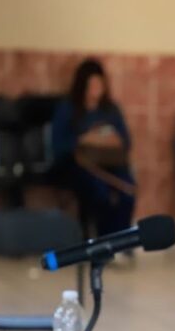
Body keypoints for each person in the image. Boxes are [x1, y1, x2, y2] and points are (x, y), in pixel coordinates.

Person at [51, 58, 135, 237]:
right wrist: (85, 139)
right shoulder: (68, 109)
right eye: (92, 85)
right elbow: (58, 145)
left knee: (127, 191)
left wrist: (107, 140)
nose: (96, 90)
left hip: (111, 163)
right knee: (100, 193)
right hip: (80, 166)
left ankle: (120, 240)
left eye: (99, 85)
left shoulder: (111, 110)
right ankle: (102, 240)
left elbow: (126, 142)